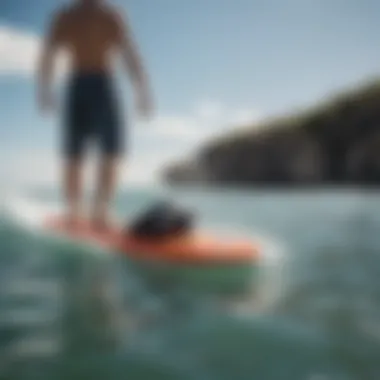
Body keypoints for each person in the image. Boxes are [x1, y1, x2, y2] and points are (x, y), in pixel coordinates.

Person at [37, 0, 153, 229]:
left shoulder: (112, 15)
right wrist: (45, 89)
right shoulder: (64, 16)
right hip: (77, 83)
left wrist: (142, 89)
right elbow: (49, 52)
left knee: (111, 149)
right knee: (73, 153)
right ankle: (74, 210)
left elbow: (129, 52)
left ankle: (101, 210)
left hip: (104, 83)